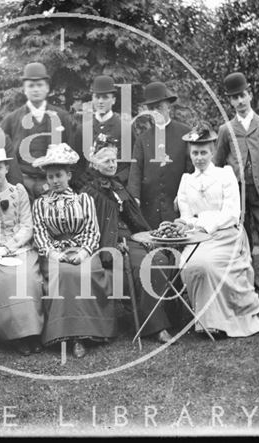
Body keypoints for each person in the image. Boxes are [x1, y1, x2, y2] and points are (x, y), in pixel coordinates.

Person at [175, 123, 259, 337]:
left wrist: (203, 223)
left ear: (212, 152)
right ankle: (206, 320)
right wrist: (187, 224)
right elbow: (186, 215)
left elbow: (231, 213)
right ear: (190, 154)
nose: (199, 158)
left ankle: (222, 320)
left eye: (203, 152)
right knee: (189, 266)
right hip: (198, 237)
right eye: (195, 153)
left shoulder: (225, 175)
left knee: (208, 265)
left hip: (226, 235)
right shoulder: (186, 181)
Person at [78, 137, 183, 344]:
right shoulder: (88, 192)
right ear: (93, 163)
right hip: (111, 244)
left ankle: (171, 316)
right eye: (106, 161)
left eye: (114, 160)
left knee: (165, 255)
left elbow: (135, 219)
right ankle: (155, 327)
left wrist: (147, 236)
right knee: (151, 263)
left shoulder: (118, 186)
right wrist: (111, 245)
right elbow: (90, 229)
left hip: (132, 238)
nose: (112, 164)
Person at [31, 143, 116, 358]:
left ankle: (85, 334)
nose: (55, 181)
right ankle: (67, 335)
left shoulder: (83, 200)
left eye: (59, 175)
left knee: (83, 272)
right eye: (50, 177)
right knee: (65, 273)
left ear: (69, 175)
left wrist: (83, 253)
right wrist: (55, 254)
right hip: (54, 253)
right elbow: (40, 234)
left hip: (83, 250)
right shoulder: (41, 204)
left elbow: (92, 231)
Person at [214, 72, 259, 311]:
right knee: (241, 246)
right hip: (237, 199)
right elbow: (217, 166)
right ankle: (250, 292)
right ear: (230, 102)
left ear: (250, 94)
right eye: (234, 98)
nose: (240, 102)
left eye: (243, 96)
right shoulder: (226, 130)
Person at [0, 148, 44, 356]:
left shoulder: (18, 191)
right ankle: (14, 337)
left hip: (19, 247)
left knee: (27, 276)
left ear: (6, 169)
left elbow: (27, 226)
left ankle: (33, 334)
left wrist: (9, 247)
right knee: (5, 280)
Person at [0, 62, 77, 199]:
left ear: (47, 88)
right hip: (22, 183)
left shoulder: (62, 117)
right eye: (31, 85)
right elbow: (2, 152)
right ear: (24, 89)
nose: (36, 89)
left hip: (54, 183)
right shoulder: (11, 120)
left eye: (40, 85)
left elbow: (72, 149)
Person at [127, 81, 192, 229]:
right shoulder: (143, 139)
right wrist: (134, 198)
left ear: (168, 106)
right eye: (151, 109)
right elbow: (135, 171)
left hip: (177, 204)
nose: (155, 112)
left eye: (159, 107)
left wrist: (184, 195)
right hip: (150, 206)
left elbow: (191, 170)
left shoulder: (185, 133)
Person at [88, 75, 134, 185]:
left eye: (105, 97)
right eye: (97, 97)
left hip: (114, 187)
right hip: (88, 187)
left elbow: (130, 164)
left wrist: (115, 182)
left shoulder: (124, 128)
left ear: (113, 100)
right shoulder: (83, 128)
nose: (100, 101)